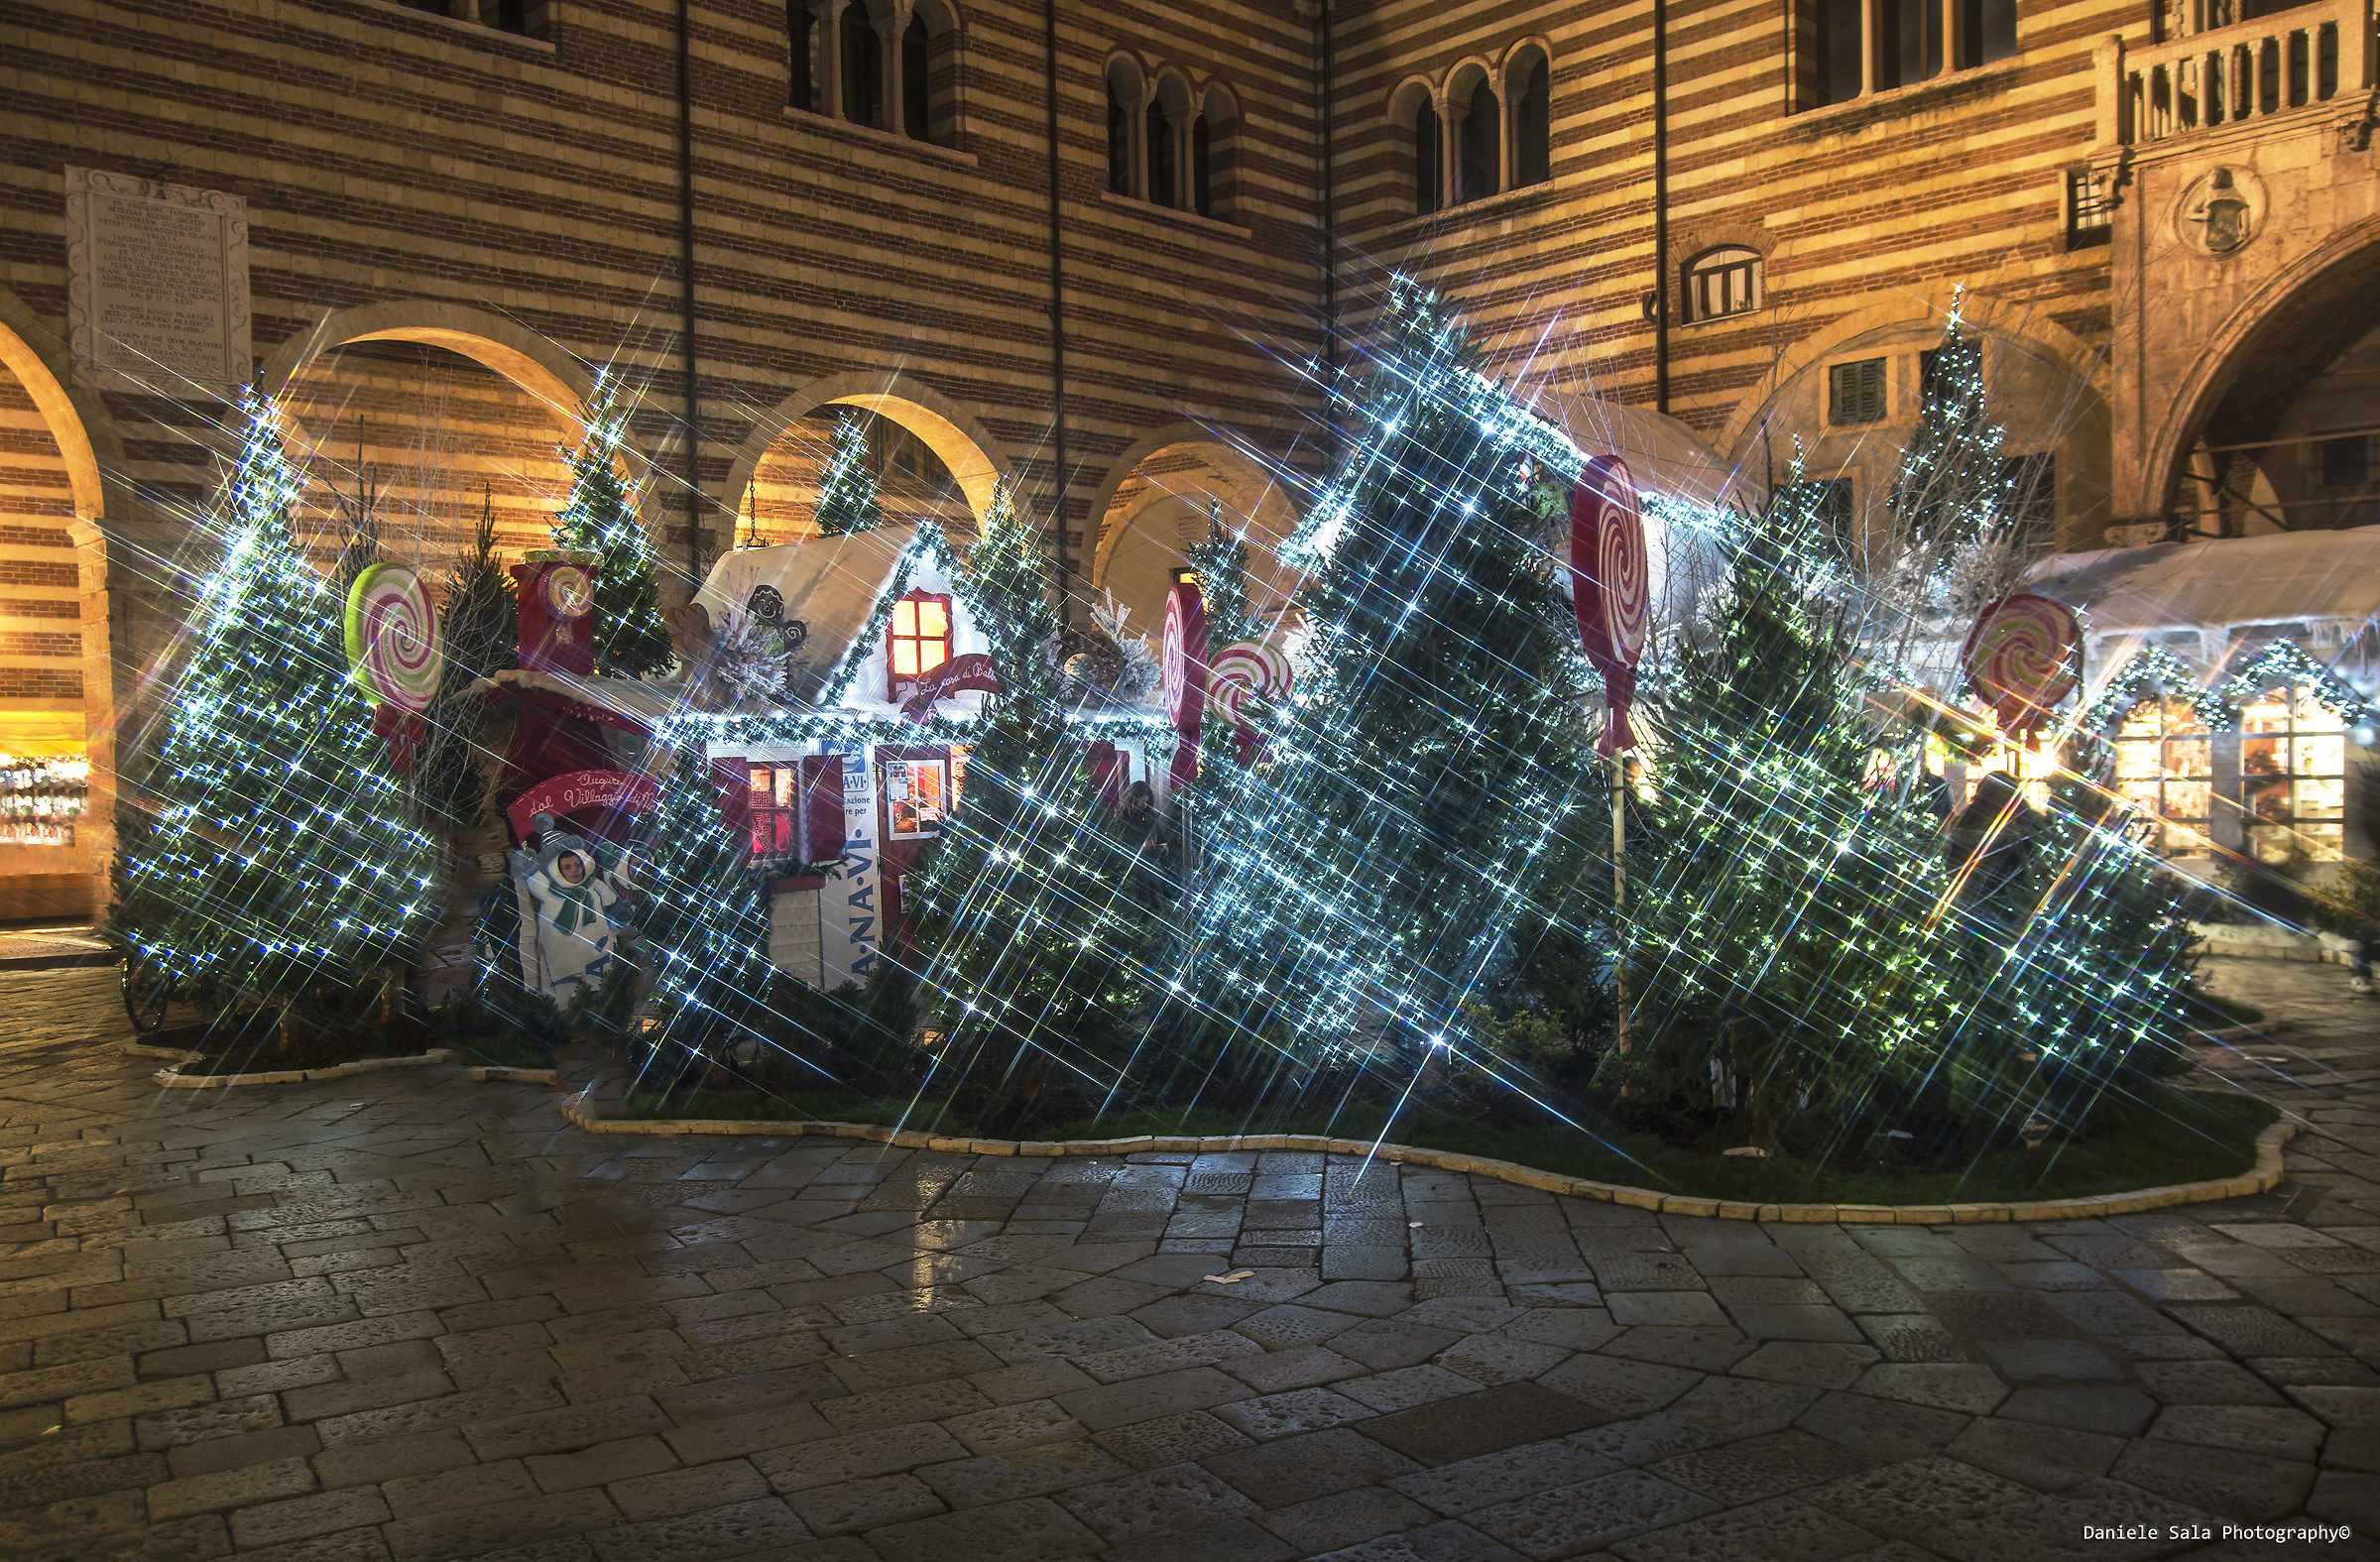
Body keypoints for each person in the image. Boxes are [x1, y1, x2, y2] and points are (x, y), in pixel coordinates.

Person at [1949, 771, 2039, 929]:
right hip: (2017, 904)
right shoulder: (2027, 821)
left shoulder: (1966, 821)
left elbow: (1951, 862)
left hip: (1973, 902)